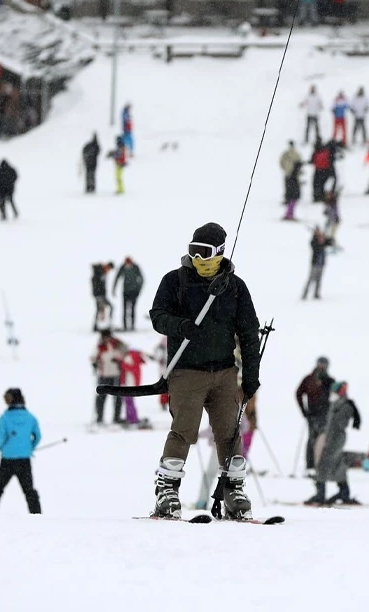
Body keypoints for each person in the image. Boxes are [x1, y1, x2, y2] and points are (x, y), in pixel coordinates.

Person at [148, 222, 262, 520]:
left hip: (224, 373)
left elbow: (249, 333)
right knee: (184, 429)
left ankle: (234, 490)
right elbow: (157, 316)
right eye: (193, 253)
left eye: (205, 253)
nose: (199, 260)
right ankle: (167, 491)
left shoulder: (235, 288)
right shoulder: (174, 282)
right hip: (186, 372)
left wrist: (250, 376)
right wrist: (179, 325)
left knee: (229, 431)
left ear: (220, 253)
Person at [0, 388, 42, 514]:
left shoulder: (4, 418)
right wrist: (29, 447)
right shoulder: (30, 417)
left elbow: (0, 439)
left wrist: (3, 448)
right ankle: (36, 514)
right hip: (24, 460)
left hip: (7, 459)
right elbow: (38, 436)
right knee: (29, 490)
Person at [310, 381, 362, 505]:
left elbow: (339, 424)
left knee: (323, 463)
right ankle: (344, 492)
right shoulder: (337, 404)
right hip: (331, 437)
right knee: (338, 464)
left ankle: (320, 494)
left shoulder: (345, 406)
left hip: (336, 438)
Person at [296, 357, 334, 472]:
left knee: (324, 439)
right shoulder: (308, 379)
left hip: (326, 414)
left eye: (324, 364)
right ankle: (311, 465)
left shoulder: (330, 380)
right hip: (312, 414)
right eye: (320, 364)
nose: (322, 366)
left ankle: (322, 465)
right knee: (313, 439)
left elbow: (336, 396)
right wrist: (304, 410)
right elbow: (298, 393)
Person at [93, 330, 126, 425]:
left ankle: (117, 417)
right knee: (101, 397)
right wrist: (95, 363)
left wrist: (119, 359)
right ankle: (99, 417)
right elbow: (93, 357)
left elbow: (125, 351)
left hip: (116, 374)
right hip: (104, 375)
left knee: (117, 397)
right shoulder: (100, 346)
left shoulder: (116, 344)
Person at [302, 228, 335, 301]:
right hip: (315, 264)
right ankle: (304, 294)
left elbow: (331, 242)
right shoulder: (313, 242)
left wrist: (327, 237)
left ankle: (316, 294)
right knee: (311, 279)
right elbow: (317, 246)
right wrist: (320, 239)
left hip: (321, 264)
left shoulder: (323, 241)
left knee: (319, 280)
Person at [113, 257, 145, 331]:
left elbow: (142, 279)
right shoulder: (122, 267)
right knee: (124, 309)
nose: (127, 265)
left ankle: (132, 326)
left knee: (132, 309)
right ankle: (125, 326)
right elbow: (117, 278)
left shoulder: (136, 267)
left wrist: (138, 290)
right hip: (125, 292)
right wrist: (114, 289)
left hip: (134, 292)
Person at [91, 262, 114, 330]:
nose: (109, 271)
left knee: (98, 310)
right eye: (109, 269)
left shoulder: (101, 272)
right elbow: (97, 285)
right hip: (99, 295)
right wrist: (99, 294)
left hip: (99, 295)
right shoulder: (99, 273)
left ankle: (95, 326)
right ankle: (109, 324)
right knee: (111, 307)